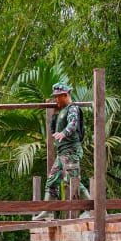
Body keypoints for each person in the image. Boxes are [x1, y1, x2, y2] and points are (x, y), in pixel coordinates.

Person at [33, 83, 91, 220]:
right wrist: (55, 122)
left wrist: (64, 133)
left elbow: (73, 123)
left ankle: (91, 209)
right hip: (62, 153)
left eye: (58, 97)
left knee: (73, 180)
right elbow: (55, 130)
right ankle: (48, 210)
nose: (56, 100)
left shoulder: (72, 108)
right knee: (52, 181)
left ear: (65, 95)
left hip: (71, 151)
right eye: (55, 97)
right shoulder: (61, 112)